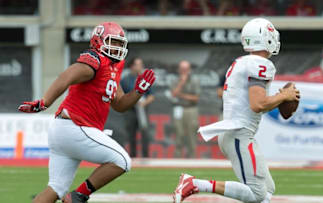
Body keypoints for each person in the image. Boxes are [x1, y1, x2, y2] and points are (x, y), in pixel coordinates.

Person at [18, 22, 156, 203]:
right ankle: (78, 195)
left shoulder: (114, 66)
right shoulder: (95, 59)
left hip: (65, 129)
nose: (117, 47)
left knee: (55, 188)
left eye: (120, 43)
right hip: (75, 126)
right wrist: (45, 102)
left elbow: (120, 104)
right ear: (98, 41)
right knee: (122, 160)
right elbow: (66, 77)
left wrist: (138, 91)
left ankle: (74, 195)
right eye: (113, 42)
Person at [173, 18, 300, 203]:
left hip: (237, 132)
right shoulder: (259, 63)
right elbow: (258, 104)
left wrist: (280, 98)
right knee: (257, 194)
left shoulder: (242, 62)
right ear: (264, 38)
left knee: (267, 191)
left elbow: (256, 106)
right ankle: (195, 184)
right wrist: (284, 96)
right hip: (239, 134)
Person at [121, 57, 155, 157]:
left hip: (142, 109)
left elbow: (151, 95)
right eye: (137, 64)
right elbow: (122, 96)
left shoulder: (145, 79)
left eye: (141, 64)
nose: (140, 67)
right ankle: (132, 156)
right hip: (131, 110)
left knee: (145, 133)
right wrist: (131, 101)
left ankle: (146, 156)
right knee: (131, 134)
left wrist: (144, 103)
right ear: (132, 66)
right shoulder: (125, 80)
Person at [171, 60, 201, 158]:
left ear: (189, 70)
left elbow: (196, 98)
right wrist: (182, 83)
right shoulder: (174, 80)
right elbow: (174, 95)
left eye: (186, 69)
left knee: (192, 134)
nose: (184, 71)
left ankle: (192, 158)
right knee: (178, 134)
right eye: (182, 69)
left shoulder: (195, 80)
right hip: (178, 108)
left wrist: (182, 95)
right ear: (179, 70)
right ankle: (177, 159)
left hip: (191, 109)